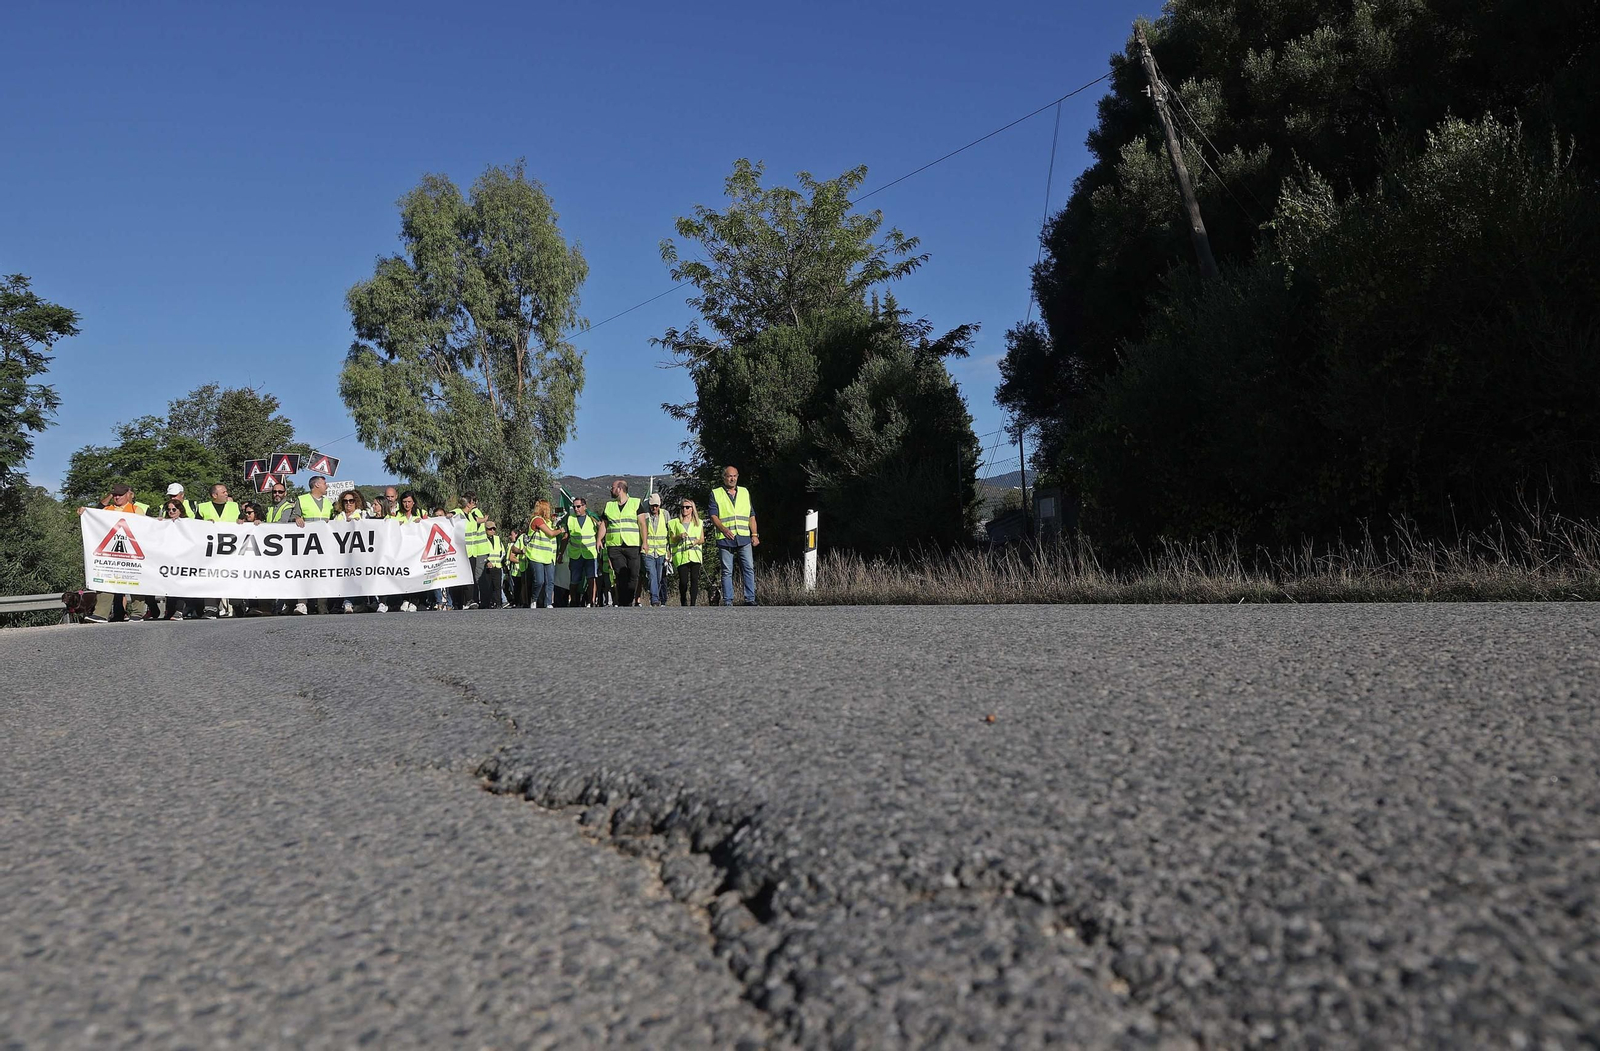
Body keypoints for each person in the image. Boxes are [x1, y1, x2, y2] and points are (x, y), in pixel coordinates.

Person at [80, 484, 150, 622]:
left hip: (132, 551)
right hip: (111, 551)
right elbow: (93, 515)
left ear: (127, 495)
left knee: (135, 580)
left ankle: (137, 613)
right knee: (106, 579)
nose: (117, 497)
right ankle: (101, 613)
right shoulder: (107, 509)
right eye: (115, 495)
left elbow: (146, 527)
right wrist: (85, 511)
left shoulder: (136, 510)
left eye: (120, 495)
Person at [709, 465, 759, 606]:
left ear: (737, 477)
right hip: (725, 538)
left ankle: (750, 598)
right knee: (727, 570)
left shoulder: (744, 492)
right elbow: (713, 516)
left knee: (748, 568)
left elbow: (751, 515)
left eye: (735, 476)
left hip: (743, 536)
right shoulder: (716, 493)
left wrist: (754, 534)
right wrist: (724, 530)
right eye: (729, 476)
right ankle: (728, 600)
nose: (732, 478)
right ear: (724, 477)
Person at [194, 483, 241, 619]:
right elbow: (195, 527)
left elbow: (243, 521)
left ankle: (237, 605)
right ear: (214, 495)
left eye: (226, 492)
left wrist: (241, 521)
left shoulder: (234, 506)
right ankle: (211, 608)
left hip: (232, 550)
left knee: (234, 577)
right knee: (211, 578)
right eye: (223, 492)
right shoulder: (203, 508)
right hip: (211, 551)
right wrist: (203, 524)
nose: (227, 494)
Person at [291, 477, 335, 614]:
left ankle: (322, 605)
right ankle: (302, 603)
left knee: (323, 573)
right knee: (304, 573)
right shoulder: (302, 499)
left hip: (324, 544)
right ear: (317, 485)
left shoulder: (328, 503)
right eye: (324, 483)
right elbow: (294, 516)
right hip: (306, 544)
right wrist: (297, 518)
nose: (326, 486)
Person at [599, 479, 642, 608]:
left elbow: (642, 524)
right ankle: (624, 603)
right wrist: (599, 539)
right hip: (615, 545)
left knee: (633, 574)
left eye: (612, 488)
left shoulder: (636, 503)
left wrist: (645, 542)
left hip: (632, 544)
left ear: (619, 489)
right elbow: (604, 524)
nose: (610, 490)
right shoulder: (609, 506)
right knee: (621, 574)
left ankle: (628, 600)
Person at [453, 492, 490, 610]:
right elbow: (452, 513)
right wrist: (484, 519)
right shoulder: (464, 512)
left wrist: (484, 519)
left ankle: (470, 600)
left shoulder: (470, 515)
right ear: (469, 503)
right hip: (467, 551)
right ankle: (468, 600)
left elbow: (477, 520)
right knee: (473, 577)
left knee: (472, 577)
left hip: (473, 550)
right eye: (473, 501)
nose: (474, 503)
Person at [333, 490, 368, 613]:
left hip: (359, 552)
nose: (348, 503)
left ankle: (354, 602)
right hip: (343, 553)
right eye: (345, 501)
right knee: (346, 577)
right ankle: (347, 602)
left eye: (351, 501)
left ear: (356, 502)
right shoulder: (338, 517)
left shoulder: (363, 515)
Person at [524, 499, 563, 609]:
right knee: (539, 580)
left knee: (550, 581)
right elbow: (551, 533)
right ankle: (534, 598)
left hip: (549, 556)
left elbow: (551, 531)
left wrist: (555, 523)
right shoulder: (537, 520)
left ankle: (548, 603)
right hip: (536, 555)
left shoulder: (549, 522)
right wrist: (560, 530)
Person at [561, 497, 598, 607]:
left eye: (578, 506)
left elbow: (601, 528)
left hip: (590, 554)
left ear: (584, 506)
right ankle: (573, 601)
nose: (576, 509)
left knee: (591, 578)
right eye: (574, 507)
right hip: (575, 555)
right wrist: (561, 553)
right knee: (574, 580)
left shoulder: (591, 518)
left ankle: (591, 601)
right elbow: (566, 537)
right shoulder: (570, 519)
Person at [668, 498, 705, 607]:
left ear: (692, 509)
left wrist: (697, 541)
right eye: (682, 507)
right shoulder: (674, 522)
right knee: (683, 581)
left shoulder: (699, 523)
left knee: (694, 580)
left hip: (695, 555)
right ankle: (683, 601)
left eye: (687, 507)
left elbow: (702, 539)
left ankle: (693, 603)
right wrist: (679, 536)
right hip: (681, 556)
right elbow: (672, 539)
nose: (684, 509)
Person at [640, 492, 671, 607]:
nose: (654, 508)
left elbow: (669, 533)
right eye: (652, 505)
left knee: (658, 577)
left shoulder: (665, 514)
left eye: (656, 505)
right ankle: (654, 599)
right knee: (652, 574)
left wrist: (669, 550)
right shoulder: (645, 515)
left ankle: (655, 596)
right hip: (647, 551)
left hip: (661, 551)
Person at [479, 521, 505, 609]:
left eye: (494, 529)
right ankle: (487, 603)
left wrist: (499, 561)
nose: (492, 530)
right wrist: (487, 562)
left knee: (498, 586)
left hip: (497, 566)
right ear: (485, 530)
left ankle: (498, 603)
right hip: (487, 567)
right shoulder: (483, 539)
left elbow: (502, 552)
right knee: (487, 586)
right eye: (490, 529)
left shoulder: (498, 539)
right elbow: (481, 552)